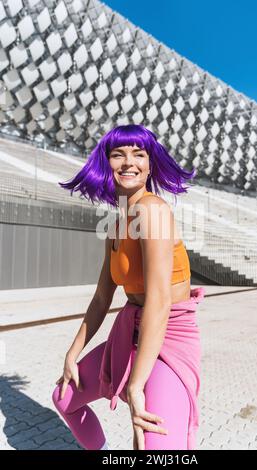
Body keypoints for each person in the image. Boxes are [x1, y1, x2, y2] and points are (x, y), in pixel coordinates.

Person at [51, 124, 205, 450]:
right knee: (65, 396)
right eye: (118, 154)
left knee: (157, 447)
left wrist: (136, 387)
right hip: (131, 331)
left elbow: (160, 301)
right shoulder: (116, 224)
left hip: (168, 337)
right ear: (105, 163)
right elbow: (101, 297)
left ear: (151, 164)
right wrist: (72, 352)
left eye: (139, 154)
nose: (128, 162)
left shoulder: (153, 211)